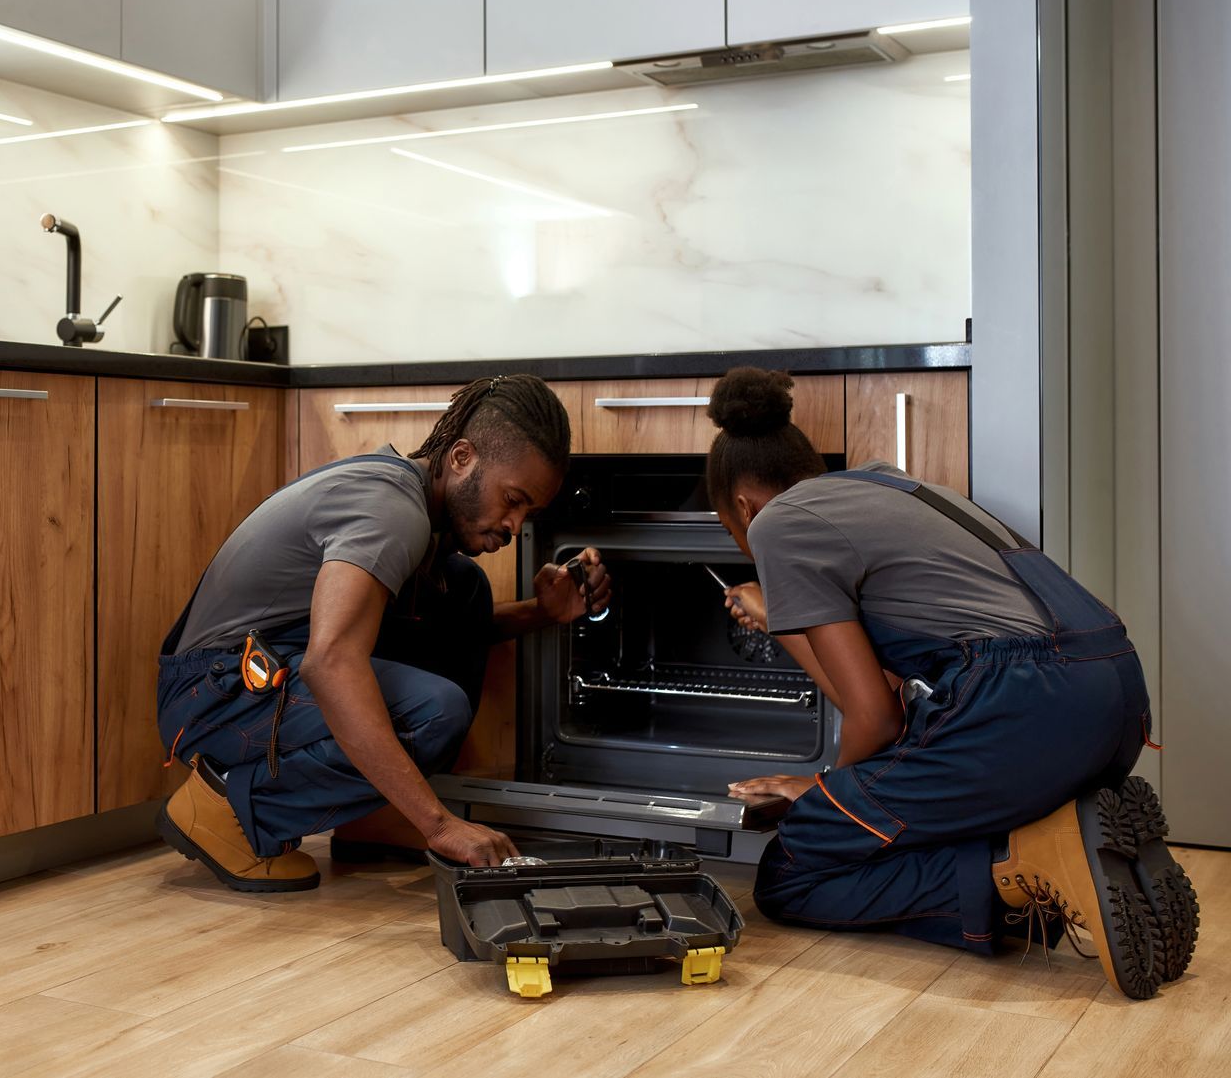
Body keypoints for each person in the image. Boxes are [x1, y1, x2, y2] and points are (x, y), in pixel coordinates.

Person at [706, 366, 1198, 1000]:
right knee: (896, 828)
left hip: (1023, 702)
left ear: (744, 508)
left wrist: (827, 794)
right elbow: (892, 700)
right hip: (1112, 693)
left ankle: (1026, 868)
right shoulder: (888, 484)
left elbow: (876, 722)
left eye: (734, 533)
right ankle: (1075, 856)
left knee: (793, 866)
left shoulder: (778, 522)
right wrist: (786, 622)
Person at [153, 374, 611, 892]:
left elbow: (445, 632)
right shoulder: (392, 512)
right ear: (461, 457)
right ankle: (233, 810)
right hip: (213, 694)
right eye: (512, 499)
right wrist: (438, 824)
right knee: (435, 710)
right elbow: (329, 663)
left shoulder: (415, 503)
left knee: (462, 590)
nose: (514, 524)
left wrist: (541, 612)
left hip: (240, 676)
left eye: (528, 511)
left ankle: (367, 818)